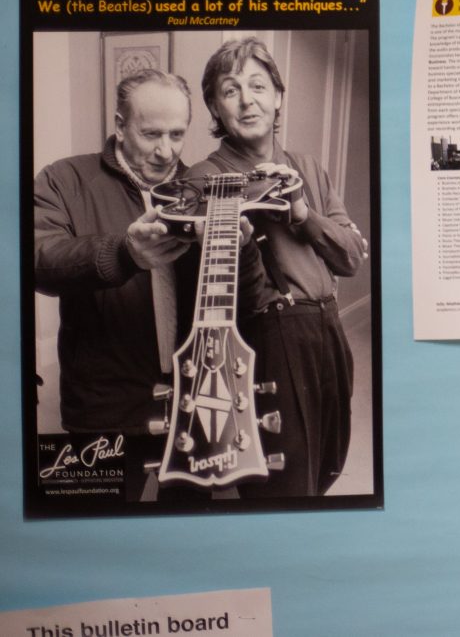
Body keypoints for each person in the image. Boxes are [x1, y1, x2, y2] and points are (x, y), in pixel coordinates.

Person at [187, 37, 365, 498]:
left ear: (278, 96)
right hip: (269, 338)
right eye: (230, 90)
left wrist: (303, 212)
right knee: (283, 481)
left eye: (259, 86)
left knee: (329, 459)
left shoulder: (307, 166)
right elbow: (229, 298)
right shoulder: (204, 179)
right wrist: (241, 239)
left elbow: (348, 258)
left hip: (329, 329)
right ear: (215, 107)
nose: (248, 101)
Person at [32, 71, 199, 457]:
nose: (166, 151)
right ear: (121, 126)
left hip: (193, 398)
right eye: (151, 134)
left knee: (188, 514)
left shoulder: (202, 187)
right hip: (102, 406)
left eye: (177, 134)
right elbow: (39, 259)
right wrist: (124, 255)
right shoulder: (64, 178)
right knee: (95, 517)